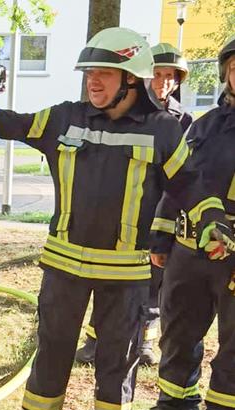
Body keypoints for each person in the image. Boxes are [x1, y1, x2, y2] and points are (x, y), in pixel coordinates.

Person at [0, 27, 233, 410]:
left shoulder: (164, 130)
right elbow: (16, 123)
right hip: (64, 266)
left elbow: (191, 187)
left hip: (125, 274)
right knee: (53, 347)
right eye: (90, 72)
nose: (93, 81)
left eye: (105, 73)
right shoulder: (65, 117)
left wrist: (213, 221)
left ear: (131, 80)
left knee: (118, 358)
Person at [138, 35, 235, 410]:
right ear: (226, 73)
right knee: (178, 326)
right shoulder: (205, 125)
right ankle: (176, 402)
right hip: (186, 249)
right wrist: (160, 237)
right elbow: (176, 184)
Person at [75, 42, 195, 366]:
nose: (164, 82)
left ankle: (144, 342)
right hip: (122, 209)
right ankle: (93, 341)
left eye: (171, 77)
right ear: (143, 77)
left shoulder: (184, 121)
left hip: (160, 214)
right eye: (158, 74)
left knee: (153, 280)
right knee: (108, 278)